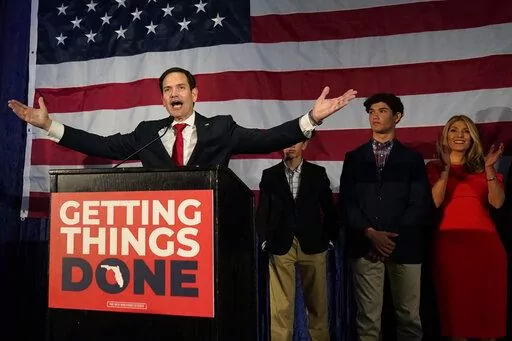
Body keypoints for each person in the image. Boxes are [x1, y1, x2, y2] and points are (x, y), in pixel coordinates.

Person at [8, 67, 357, 168]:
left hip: (209, 232)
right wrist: (48, 125)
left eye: (180, 87)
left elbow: (268, 139)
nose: (174, 93)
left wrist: (311, 118)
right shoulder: (147, 132)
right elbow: (102, 145)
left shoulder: (220, 128)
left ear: (195, 94)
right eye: (167, 89)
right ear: (162, 99)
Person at [340, 93, 431, 341]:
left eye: (382, 110)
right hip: (365, 246)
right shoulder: (354, 158)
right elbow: (348, 203)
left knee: (409, 320)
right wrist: (371, 234)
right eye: (371, 111)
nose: (375, 116)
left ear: (397, 116)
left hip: (404, 247)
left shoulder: (413, 159)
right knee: (368, 321)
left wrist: (389, 239)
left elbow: (418, 203)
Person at [425, 115, 507, 341]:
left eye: (465, 131)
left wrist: (489, 168)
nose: (460, 135)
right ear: (445, 136)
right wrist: (446, 170)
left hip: (486, 248)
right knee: (456, 316)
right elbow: (434, 203)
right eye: (454, 130)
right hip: (450, 247)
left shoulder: (484, 167)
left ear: (472, 137)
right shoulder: (434, 167)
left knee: (487, 317)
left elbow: (497, 202)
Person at [256, 138, 338, 341]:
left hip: (313, 245)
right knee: (280, 308)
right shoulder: (270, 175)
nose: (290, 145)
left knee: (318, 305)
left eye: (296, 142)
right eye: (286, 141)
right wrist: (265, 239)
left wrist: (328, 239)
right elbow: (262, 212)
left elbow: (329, 210)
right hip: (280, 245)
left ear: (305, 145)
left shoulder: (317, 174)